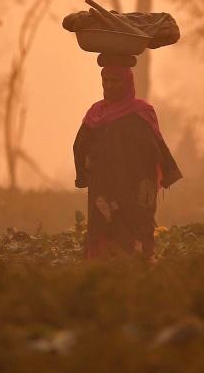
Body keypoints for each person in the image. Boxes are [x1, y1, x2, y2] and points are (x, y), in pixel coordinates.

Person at [73, 65, 182, 260]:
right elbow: (80, 146)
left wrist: (163, 173)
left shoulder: (140, 112)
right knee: (102, 231)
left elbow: (155, 145)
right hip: (103, 187)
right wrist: (84, 174)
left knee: (135, 232)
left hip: (133, 187)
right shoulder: (95, 114)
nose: (109, 85)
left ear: (128, 83)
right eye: (105, 81)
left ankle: (139, 274)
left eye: (115, 81)